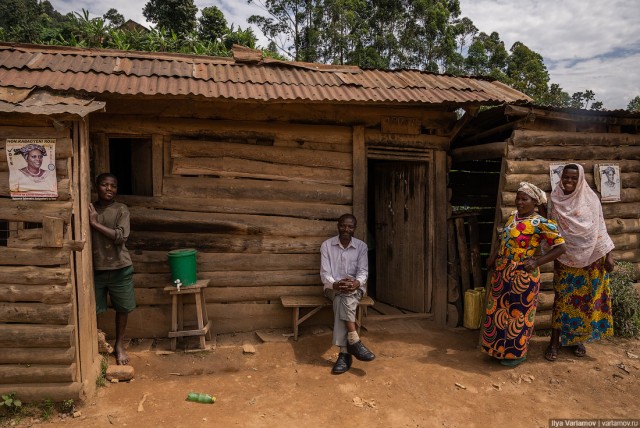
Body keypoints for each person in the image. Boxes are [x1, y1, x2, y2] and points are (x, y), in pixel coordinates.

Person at [481, 182, 566, 367]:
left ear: (534, 202)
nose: (519, 202)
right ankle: (495, 349)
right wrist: (493, 257)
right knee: (497, 311)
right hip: (503, 272)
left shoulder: (542, 223)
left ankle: (514, 354)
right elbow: (503, 238)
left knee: (517, 316)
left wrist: (536, 262)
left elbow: (561, 247)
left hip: (523, 276)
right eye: (518, 198)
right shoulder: (513, 217)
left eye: (524, 199)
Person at [544, 164, 615, 361]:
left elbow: (600, 227)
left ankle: (577, 340)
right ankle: (554, 342)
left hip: (592, 259)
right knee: (562, 300)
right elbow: (551, 230)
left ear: (580, 179)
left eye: (573, 178)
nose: (568, 181)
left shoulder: (591, 199)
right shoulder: (555, 200)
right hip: (565, 258)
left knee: (585, 301)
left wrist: (608, 254)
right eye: (566, 177)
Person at [89, 173, 135, 365]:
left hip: (119, 267)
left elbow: (120, 237)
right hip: (96, 268)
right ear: (96, 186)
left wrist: (95, 224)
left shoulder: (121, 210)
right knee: (94, 309)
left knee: (122, 308)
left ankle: (119, 345)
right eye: (104, 185)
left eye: (113, 186)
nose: (109, 189)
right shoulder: (89, 208)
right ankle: (97, 344)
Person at [320, 214, 375, 374]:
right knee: (342, 295)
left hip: (354, 288)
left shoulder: (361, 247)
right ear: (338, 226)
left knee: (343, 299)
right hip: (333, 288)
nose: (346, 229)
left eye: (350, 227)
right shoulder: (327, 246)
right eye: (343, 226)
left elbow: (363, 272)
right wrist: (336, 284)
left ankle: (345, 352)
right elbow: (325, 275)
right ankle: (354, 339)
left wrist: (356, 283)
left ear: (354, 228)